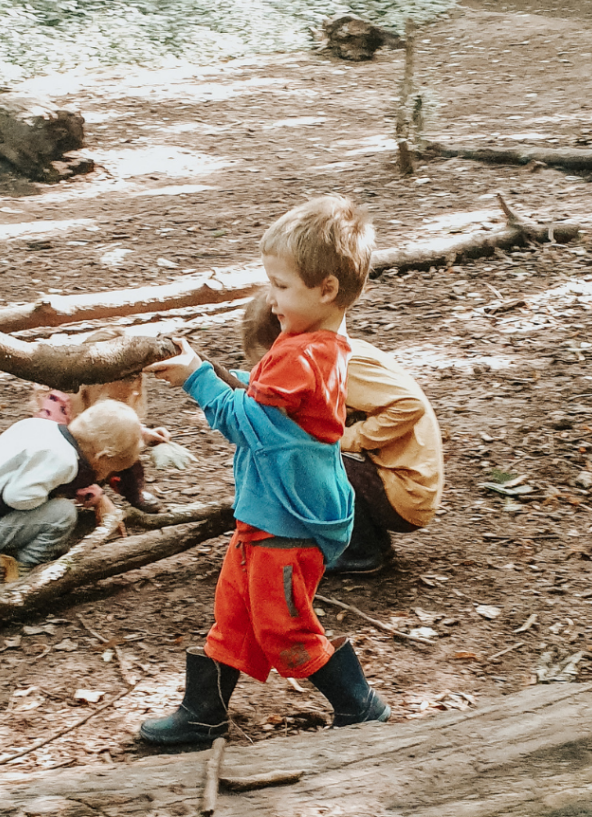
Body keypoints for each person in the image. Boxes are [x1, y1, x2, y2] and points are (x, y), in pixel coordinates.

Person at [138, 195, 389, 748]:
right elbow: (260, 410)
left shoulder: (300, 356)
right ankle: (203, 711)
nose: (270, 299)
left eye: (281, 285)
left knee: (282, 626)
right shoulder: (311, 345)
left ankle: (359, 705)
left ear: (326, 288)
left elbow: (249, 423)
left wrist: (195, 377)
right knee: (235, 612)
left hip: (290, 519)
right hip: (266, 510)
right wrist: (201, 370)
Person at [242, 288, 444, 575]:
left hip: (407, 493)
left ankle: (361, 552)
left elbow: (409, 405)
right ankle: (373, 542)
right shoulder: (331, 353)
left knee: (310, 458)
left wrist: (351, 439)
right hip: (392, 481)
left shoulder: (343, 364)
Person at [0, 399, 142, 581]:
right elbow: (17, 497)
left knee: (53, 507)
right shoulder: (64, 461)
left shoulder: (42, 427)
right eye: (109, 470)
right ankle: (26, 569)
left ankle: (15, 547)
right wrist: (56, 495)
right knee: (63, 513)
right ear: (101, 457)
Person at [31, 376, 166, 514]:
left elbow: (115, 425)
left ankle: (134, 492)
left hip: (95, 458)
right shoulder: (59, 404)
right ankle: (56, 503)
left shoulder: (109, 397)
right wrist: (99, 499)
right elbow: (52, 457)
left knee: (126, 447)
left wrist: (142, 434)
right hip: (60, 465)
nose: (135, 393)